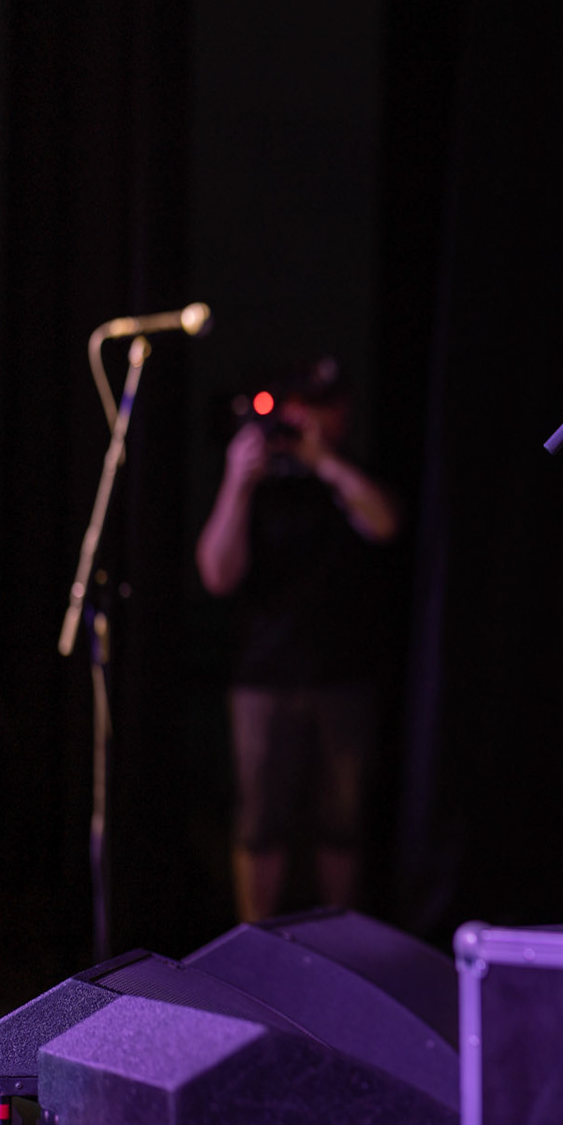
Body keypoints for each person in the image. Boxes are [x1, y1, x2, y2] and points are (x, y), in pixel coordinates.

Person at [195, 357, 399, 922]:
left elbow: (384, 524)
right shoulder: (258, 485)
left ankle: (342, 948)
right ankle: (255, 945)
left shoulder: (348, 473)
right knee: (260, 821)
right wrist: (238, 482)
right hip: (263, 678)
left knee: (343, 822)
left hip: (344, 676)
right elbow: (216, 574)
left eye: (324, 405)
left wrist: (324, 462)